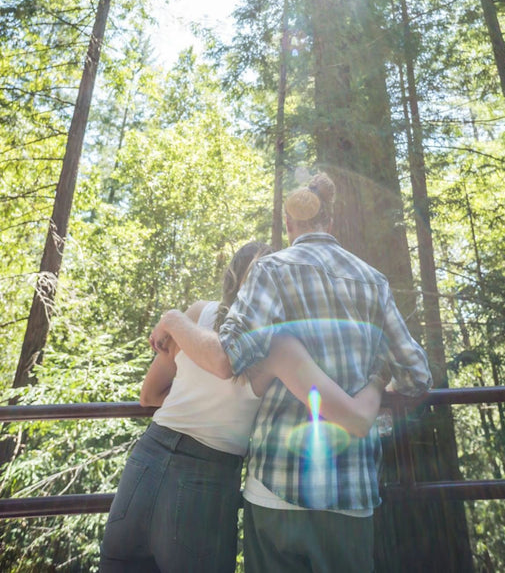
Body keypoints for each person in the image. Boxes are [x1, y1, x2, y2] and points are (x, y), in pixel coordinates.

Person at [151, 173, 432, 573]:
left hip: (275, 489)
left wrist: (177, 321)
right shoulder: (374, 281)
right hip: (351, 492)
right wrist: (375, 383)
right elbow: (417, 376)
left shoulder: (272, 270)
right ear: (330, 223)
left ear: (289, 224)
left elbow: (229, 357)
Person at [100, 241, 382, 573]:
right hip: (205, 476)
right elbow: (354, 418)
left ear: (230, 278)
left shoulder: (195, 315)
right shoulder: (277, 347)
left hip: (145, 461)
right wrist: (378, 380)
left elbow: (148, 395)